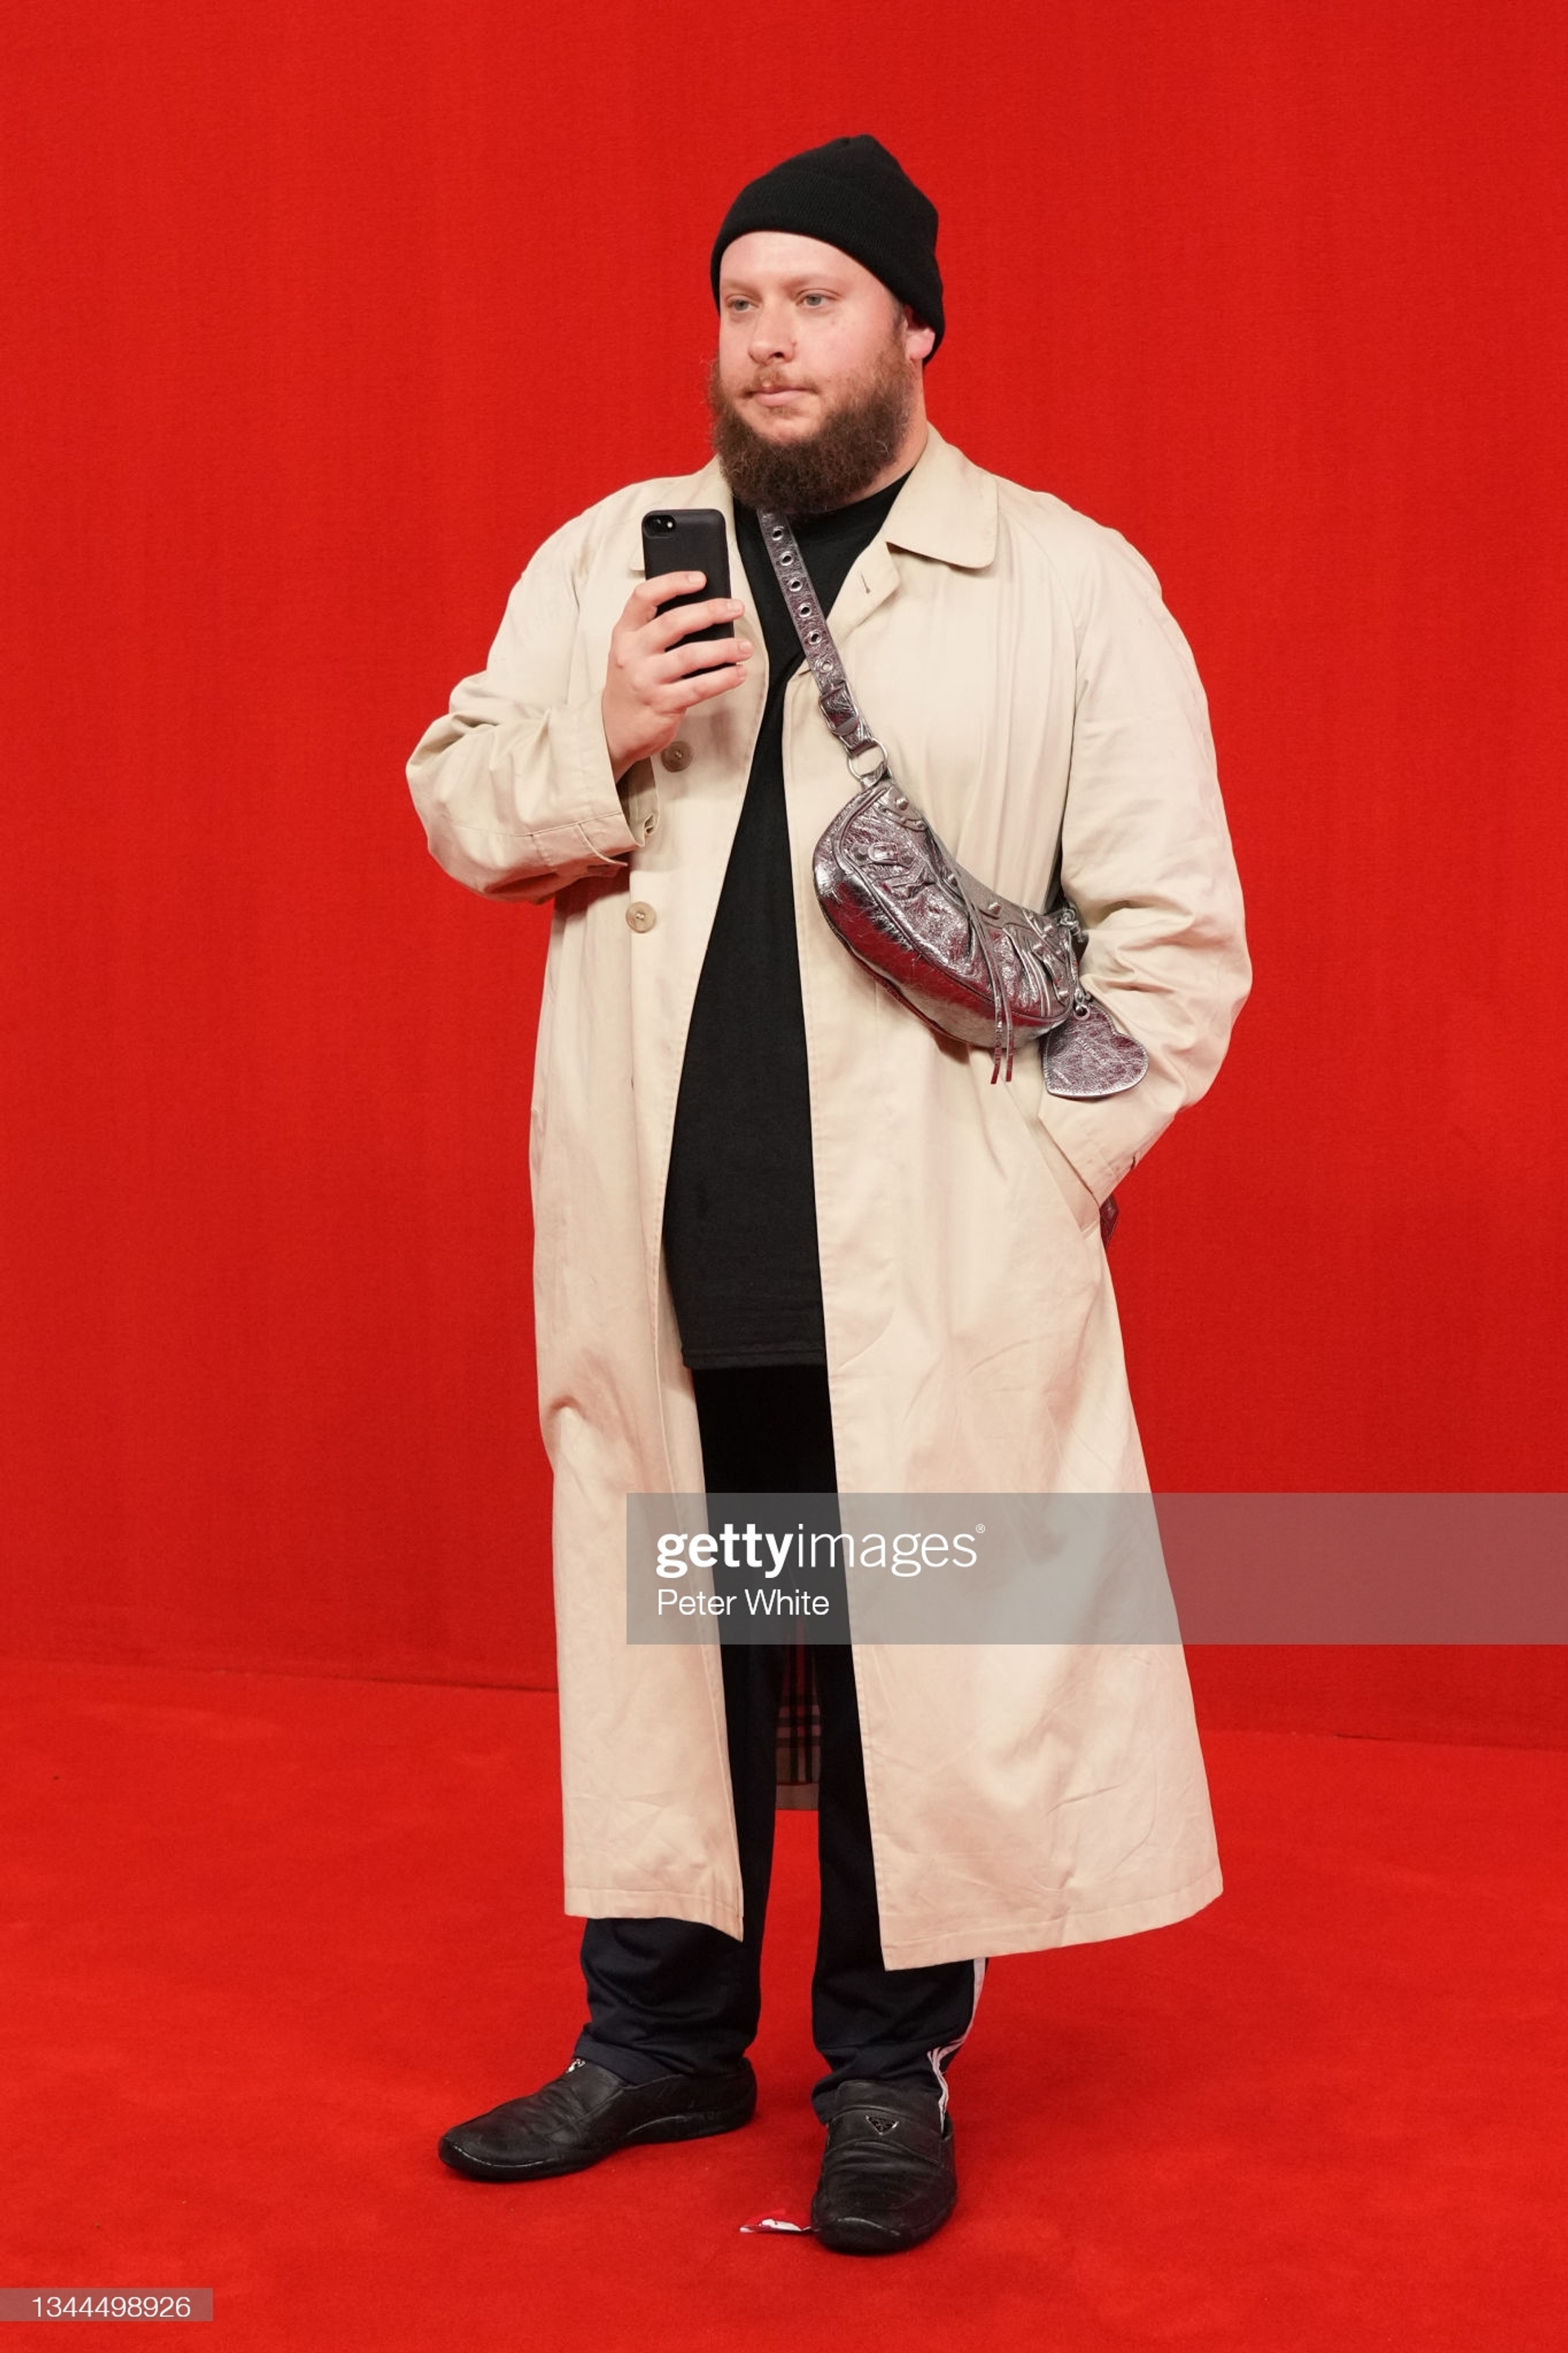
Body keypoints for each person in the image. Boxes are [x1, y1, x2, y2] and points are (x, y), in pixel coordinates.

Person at [406, 134, 1250, 2254]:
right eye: (741, 302)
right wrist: (587, 727)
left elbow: (1176, 952)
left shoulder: (1066, 580)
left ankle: (885, 2068)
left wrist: (1035, 1172)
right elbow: (456, 806)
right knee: (691, 1642)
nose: (771, 342)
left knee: (903, 1669)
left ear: (916, 331)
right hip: (675, 1252)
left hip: (933, 1277)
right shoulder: (617, 552)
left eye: (820, 301)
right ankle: (661, 2034)